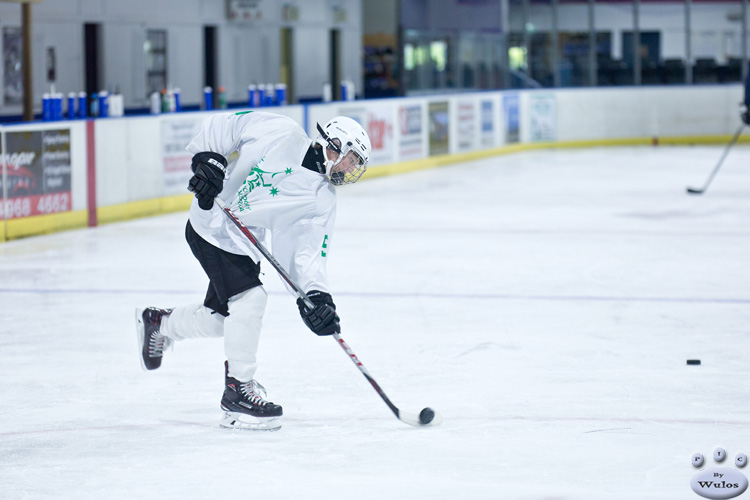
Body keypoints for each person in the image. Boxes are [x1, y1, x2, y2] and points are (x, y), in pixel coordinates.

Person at [135, 111, 371, 430]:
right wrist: (209, 159)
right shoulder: (281, 130)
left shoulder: (322, 198)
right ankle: (238, 392)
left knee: (223, 320)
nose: (352, 168)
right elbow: (225, 126)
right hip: (211, 222)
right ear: (335, 145)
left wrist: (317, 297)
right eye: (352, 158)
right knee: (250, 300)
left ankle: (159, 323)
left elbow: (306, 251)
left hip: (242, 242)